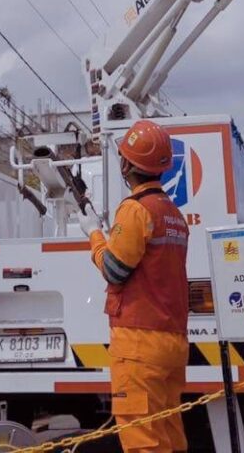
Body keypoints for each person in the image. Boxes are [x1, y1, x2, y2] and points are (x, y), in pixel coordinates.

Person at [79, 120, 189, 453]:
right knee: (169, 434)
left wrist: (94, 234)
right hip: (172, 341)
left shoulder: (135, 210)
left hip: (139, 344)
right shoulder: (174, 215)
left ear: (126, 165)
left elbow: (114, 270)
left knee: (143, 440)